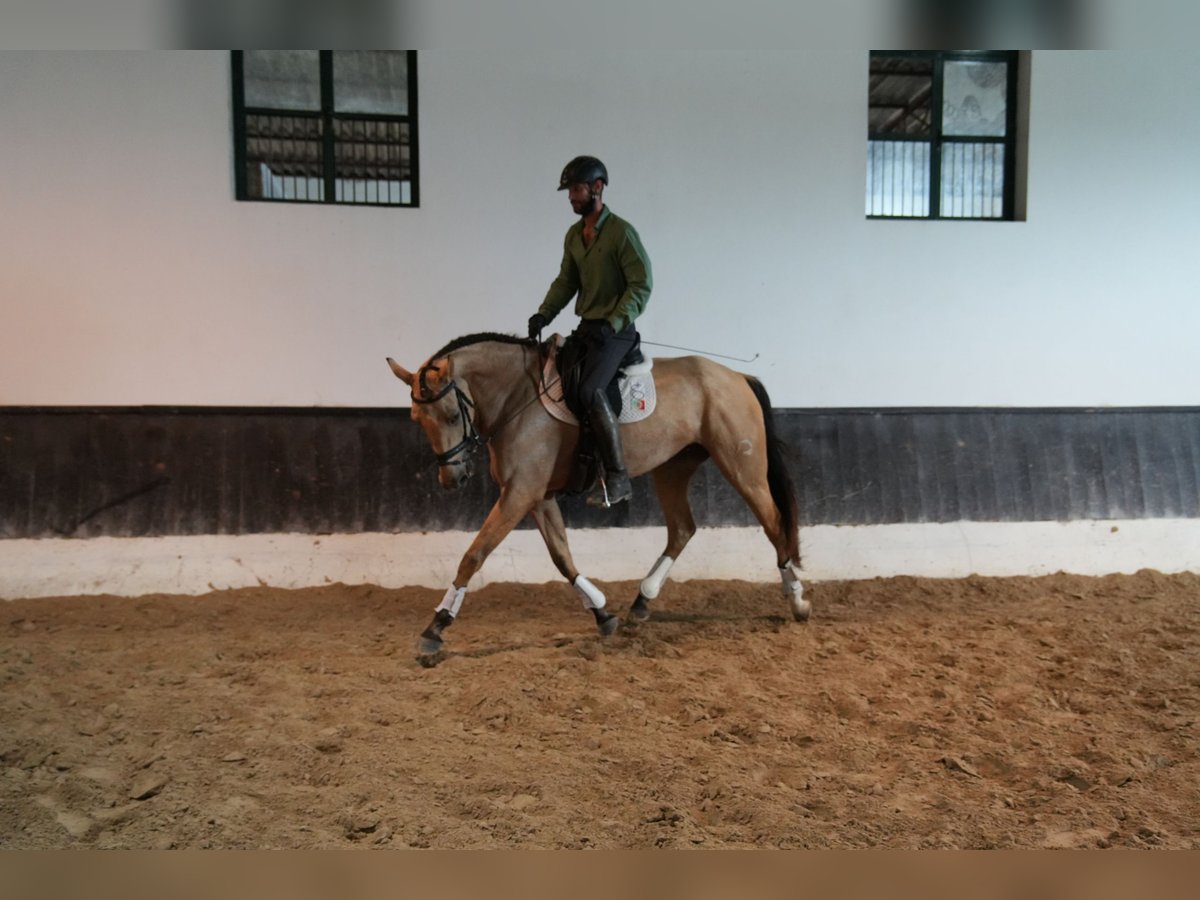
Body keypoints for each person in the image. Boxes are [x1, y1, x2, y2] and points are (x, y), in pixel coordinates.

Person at [527, 155, 653, 508]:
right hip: (588, 328)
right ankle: (579, 467)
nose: (571, 197)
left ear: (597, 188)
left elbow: (641, 285)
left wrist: (614, 321)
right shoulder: (573, 235)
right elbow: (567, 280)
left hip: (617, 331)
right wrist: (544, 313)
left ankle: (618, 478)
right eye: (569, 191)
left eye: (576, 189)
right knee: (560, 381)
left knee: (590, 389)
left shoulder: (621, 233)